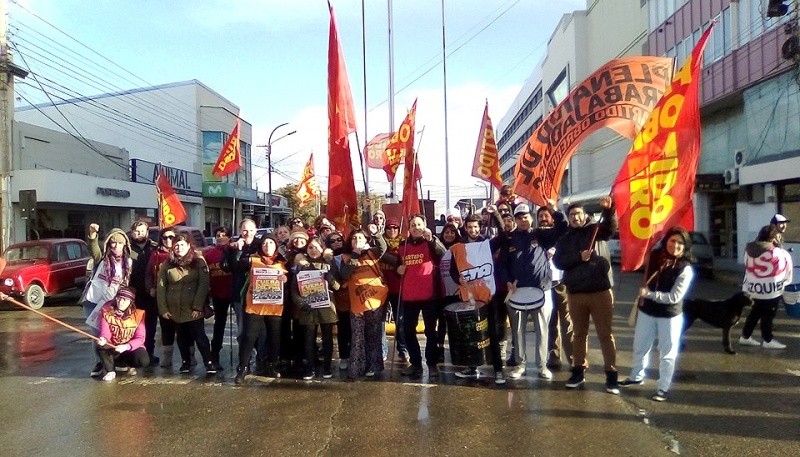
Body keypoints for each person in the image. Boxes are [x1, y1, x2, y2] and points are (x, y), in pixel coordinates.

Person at [621, 227, 695, 402]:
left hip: (669, 315)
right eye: (672, 241)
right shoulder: (655, 256)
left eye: (680, 243)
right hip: (647, 311)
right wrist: (646, 240)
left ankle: (663, 387)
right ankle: (636, 375)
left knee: (667, 353)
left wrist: (650, 295)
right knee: (640, 345)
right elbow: (639, 257)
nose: (675, 246)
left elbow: (675, 297)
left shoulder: (685, 268)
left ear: (685, 247)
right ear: (666, 241)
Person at [553, 197, 619, 394]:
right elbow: (558, 262)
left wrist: (609, 210)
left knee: (605, 334)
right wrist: (578, 258)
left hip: (600, 291)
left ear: (585, 216)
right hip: (576, 293)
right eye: (572, 215)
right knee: (579, 334)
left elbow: (610, 228)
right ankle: (578, 370)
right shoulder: (564, 239)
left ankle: (611, 374)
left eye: (578, 214)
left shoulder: (596, 230)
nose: (575, 217)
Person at [498, 204, 560, 381]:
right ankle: (520, 364)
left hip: (542, 290)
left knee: (543, 329)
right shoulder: (509, 239)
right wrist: (508, 281)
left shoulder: (541, 235)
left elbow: (561, 229)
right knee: (518, 331)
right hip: (517, 291)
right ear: (515, 220)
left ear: (531, 218)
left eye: (526, 217)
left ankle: (542, 365)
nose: (523, 220)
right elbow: (502, 264)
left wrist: (553, 210)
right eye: (519, 217)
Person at [453, 215, 505, 384]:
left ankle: (498, 370)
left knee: (492, 333)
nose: (473, 230)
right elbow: (454, 270)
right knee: (471, 335)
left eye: (476, 227)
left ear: (480, 227)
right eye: (470, 227)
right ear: (465, 228)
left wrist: (496, 214)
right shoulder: (459, 247)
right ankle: (472, 367)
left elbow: (504, 236)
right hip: (469, 299)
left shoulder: (488, 244)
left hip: (488, 297)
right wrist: (457, 279)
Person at [157, 232, 215, 374]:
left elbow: (203, 285)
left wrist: (197, 305)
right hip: (175, 308)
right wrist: (163, 309)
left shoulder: (198, 261)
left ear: (189, 246)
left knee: (199, 336)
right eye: (176, 245)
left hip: (193, 307)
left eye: (182, 245)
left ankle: (209, 362)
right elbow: (161, 287)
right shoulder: (166, 264)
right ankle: (186, 362)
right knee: (182, 337)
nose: (179, 248)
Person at [396, 215, 446, 378]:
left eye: (419, 224)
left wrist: (432, 239)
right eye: (412, 225)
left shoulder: (430, 242)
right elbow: (398, 266)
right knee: (408, 331)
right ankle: (416, 363)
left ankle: (432, 364)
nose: (416, 227)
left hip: (429, 295)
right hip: (409, 296)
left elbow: (443, 254)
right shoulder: (403, 246)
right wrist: (398, 270)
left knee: (431, 331)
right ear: (408, 229)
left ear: (424, 225)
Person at [235, 233, 288, 383]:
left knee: (274, 338)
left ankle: (271, 365)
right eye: (265, 243)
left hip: (274, 307)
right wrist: (237, 250)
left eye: (271, 243)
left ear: (276, 246)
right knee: (249, 338)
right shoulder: (252, 259)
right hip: (255, 306)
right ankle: (243, 368)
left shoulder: (282, 262)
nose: (268, 246)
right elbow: (234, 266)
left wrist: (285, 279)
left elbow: (293, 281)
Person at [82, 223, 132, 377]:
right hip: (93, 302)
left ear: (125, 244)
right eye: (113, 242)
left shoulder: (128, 263)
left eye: (120, 242)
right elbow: (94, 248)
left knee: (114, 333)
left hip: (112, 304)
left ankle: (114, 361)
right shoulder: (101, 258)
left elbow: (126, 285)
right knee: (97, 335)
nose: (116, 245)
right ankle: (100, 362)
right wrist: (92, 235)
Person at [338, 229, 388, 377]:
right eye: (354, 238)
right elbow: (345, 274)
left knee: (373, 334)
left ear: (366, 240)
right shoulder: (347, 257)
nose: (357, 241)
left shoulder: (373, 253)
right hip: (356, 303)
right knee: (357, 335)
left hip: (375, 300)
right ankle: (356, 367)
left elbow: (383, 248)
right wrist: (355, 254)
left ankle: (373, 366)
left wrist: (377, 235)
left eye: (360, 238)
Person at [290, 236, 340, 380]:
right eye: (310, 247)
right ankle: (309, 368)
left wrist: (328, 276)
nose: (313, 250)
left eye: (316, 247)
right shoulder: (301, 266)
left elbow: (337, 286)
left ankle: (327, 367)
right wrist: (301, 303)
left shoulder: (330, 263)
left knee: (327, 338)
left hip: (327, 307)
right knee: (309, 338)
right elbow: (294, 290)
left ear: (322, 248)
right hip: (308, 307)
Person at [739, 225, 794, 349]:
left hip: (754, 289)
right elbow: (787, 272)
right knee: (768, 315)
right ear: (774, 239)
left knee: (755, 313)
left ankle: (745, 336)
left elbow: (747, 269)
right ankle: (768, 339)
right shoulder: (780, 253)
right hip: (772, 290)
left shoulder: (749, 250)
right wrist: (784, 284)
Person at [537, 204, 572, 371]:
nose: (543, 219)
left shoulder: (561, 233)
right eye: (541, 216)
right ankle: (553, 354)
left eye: (546, 216)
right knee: (551, 321)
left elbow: (564, 226)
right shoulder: (536, 234)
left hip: (561, 283)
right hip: (544, 284)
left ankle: (574, 359)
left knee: (566, 320)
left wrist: (556, 211)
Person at [95, 286, 150, 381]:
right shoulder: (107, 312)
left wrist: (127, 346)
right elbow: (105, 331)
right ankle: (110, 370)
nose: (121, 302)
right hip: (113, 346)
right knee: (101, 345)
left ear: (130, 302)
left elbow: (140, 338)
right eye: (119, 298)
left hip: (128, 347)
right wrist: (103, 338)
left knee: (143, 360)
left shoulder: (138, 315)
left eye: (125, 300)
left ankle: (124, 363)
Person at [145, 227, 180, 368]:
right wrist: (150, 288)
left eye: (171, 237)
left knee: (184, 327)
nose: (168, 240)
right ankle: (167, 356)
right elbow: (148, 274)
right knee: (166, 327)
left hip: (180, 296)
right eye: (165, 237)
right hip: (162, 296)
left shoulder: (183, 253)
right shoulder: (156, 255)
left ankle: (188, 356)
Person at [127, 221, 159, 366]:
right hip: (133, 295)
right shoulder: (127, 249)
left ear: (147, 232)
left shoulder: (154, 248)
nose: (139, 234)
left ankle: (149, 354)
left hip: (151, 294)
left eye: (142, 231)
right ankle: (133, 355)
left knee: (151, 326)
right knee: (133, 326)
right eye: (136, 231)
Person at [379, 218, 408, 362]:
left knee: (400, 320)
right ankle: (382, 349)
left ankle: (403, 349)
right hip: (382, 287)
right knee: (381, 320)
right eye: (389, 228)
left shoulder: (404, 243)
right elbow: (379, 254)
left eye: (395, 228)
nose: (392, 231)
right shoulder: (380, 243)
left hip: (398, 287)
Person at [204, 226, 233, 370]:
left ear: (229, 237)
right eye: (218, 235)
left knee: (244, 327)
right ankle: (214, 355)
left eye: (224, 234)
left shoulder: (234, 250)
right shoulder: (209, 254)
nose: (221, 237)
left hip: (235, 294)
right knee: (219, 326)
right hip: (218, 295)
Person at [327, 231, 352, 370]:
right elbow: (330, 276)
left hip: (353, 296)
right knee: (343, 329)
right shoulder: (327, 259)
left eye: (339, 239)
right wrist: (338, 285)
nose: (336, 242)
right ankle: (344, 356)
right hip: (338, 298)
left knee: (355, 329)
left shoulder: (351, 255)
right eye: (332, 241)